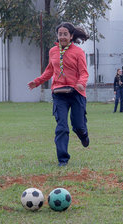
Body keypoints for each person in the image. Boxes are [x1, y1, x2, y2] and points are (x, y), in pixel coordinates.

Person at [27, 22, 90, 166]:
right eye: (60, 34)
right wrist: (37, 82)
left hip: (76, 93)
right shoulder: (53, 51)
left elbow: (84, 72)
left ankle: (83, 135)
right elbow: (50, 70)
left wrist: (81, 83)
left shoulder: (78, 52)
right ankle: (63, 160)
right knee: (61, 127)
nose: (62, 37)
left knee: (78, 126)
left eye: (65, 34)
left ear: (71, 36)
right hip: (59, 93)